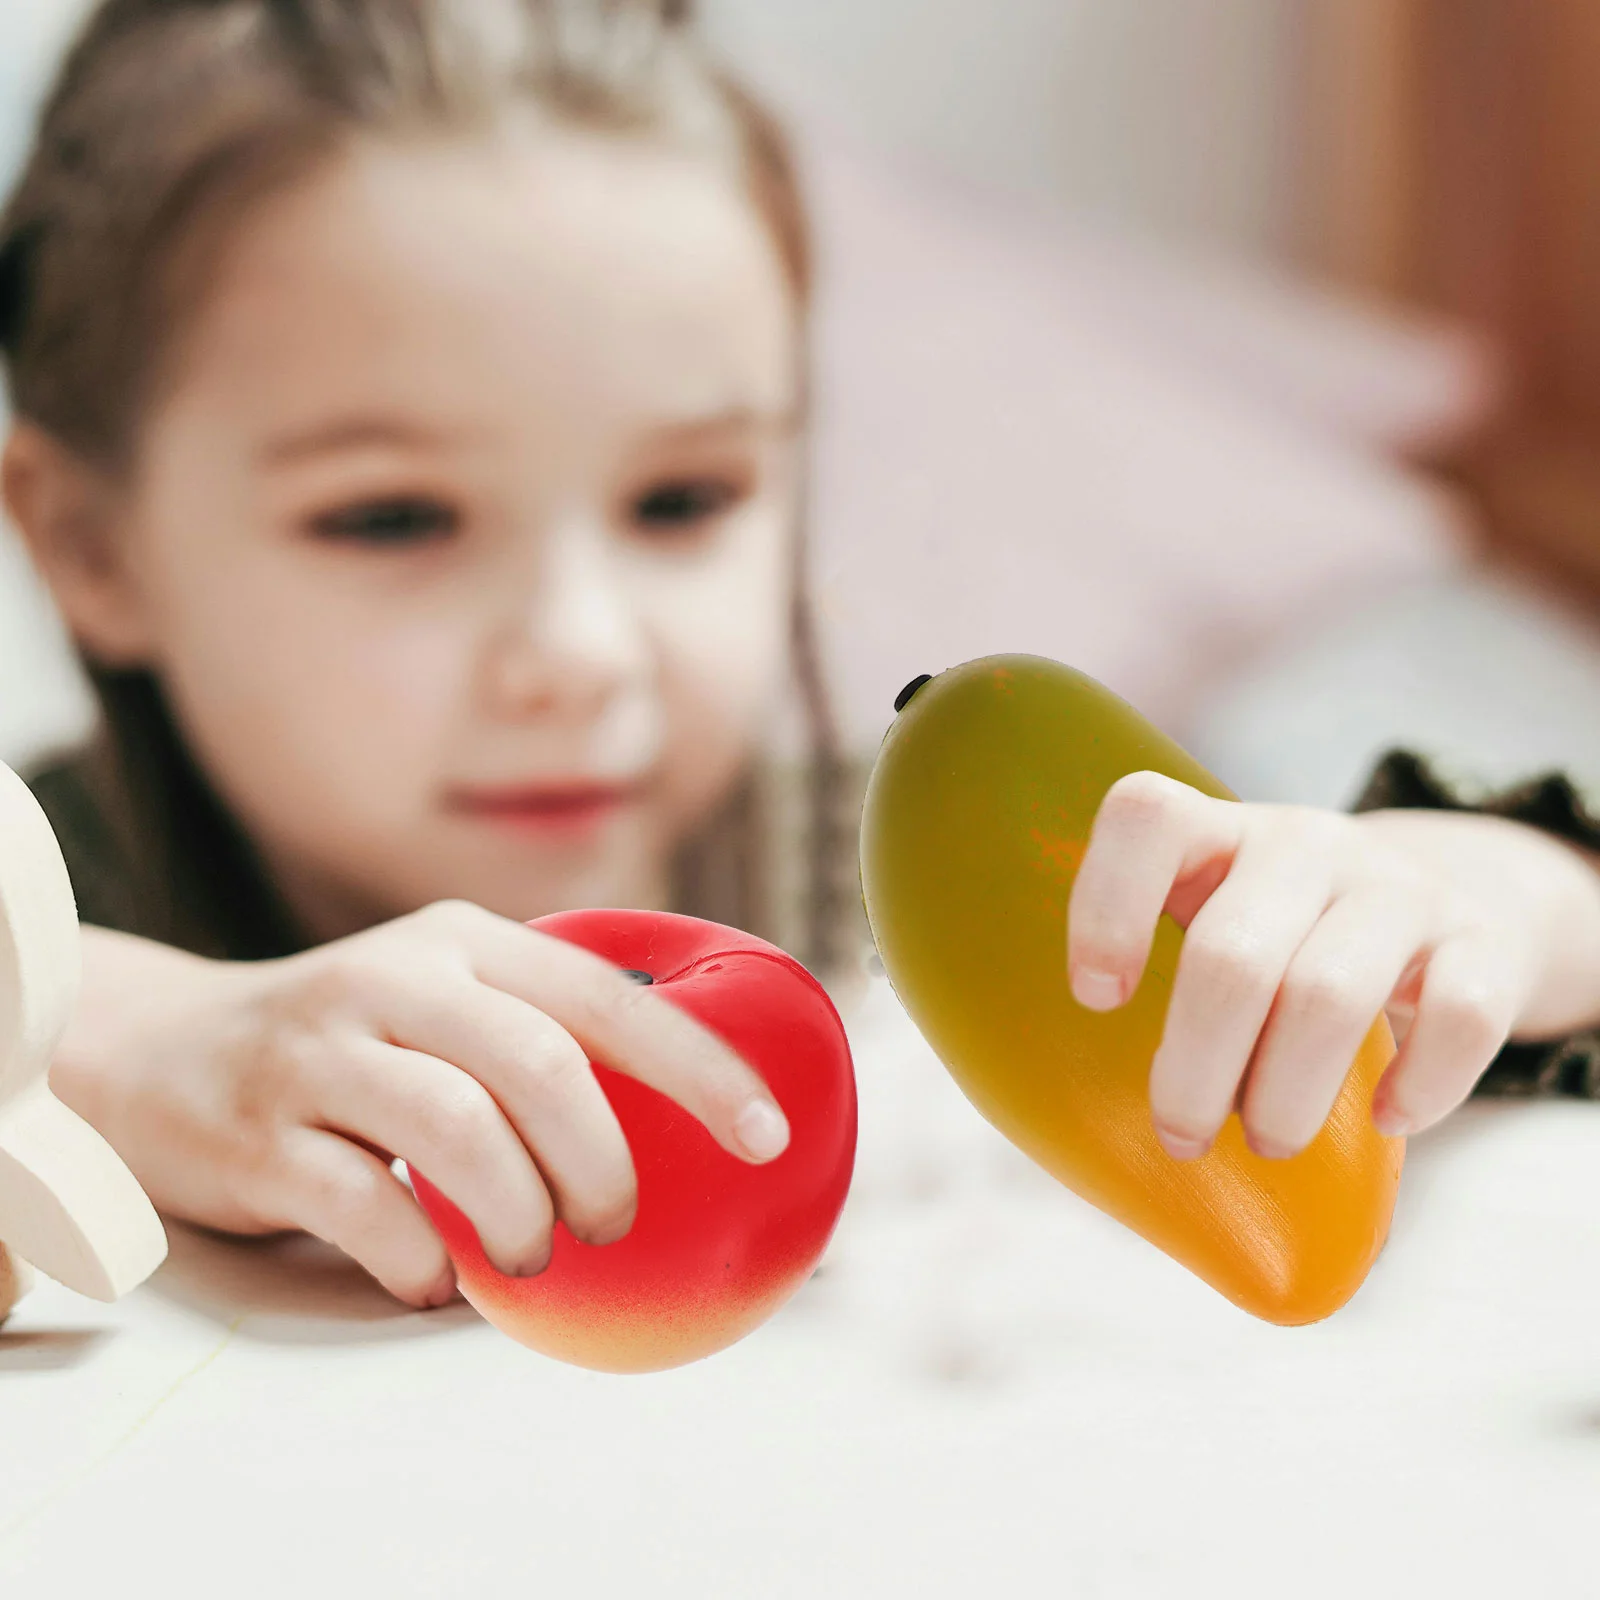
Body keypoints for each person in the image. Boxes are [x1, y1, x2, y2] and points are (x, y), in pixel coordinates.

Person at [0, 0, 1596, 1314]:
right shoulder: (56, 883)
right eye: (395, 518)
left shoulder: (939, 889)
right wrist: (109, 1038)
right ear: (88, 543)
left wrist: (1495, 901)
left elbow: (1464, 952)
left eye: (683, 499)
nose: (581, 653)